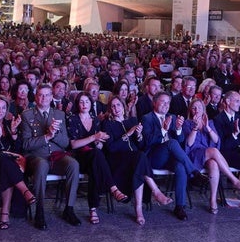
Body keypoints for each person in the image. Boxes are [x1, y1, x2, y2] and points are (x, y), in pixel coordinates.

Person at [102, 96, 172, 225]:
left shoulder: (132, 120)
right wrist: (128, 134)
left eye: (118, 105)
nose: (116, 108)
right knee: (140, 157)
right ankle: (156, 192)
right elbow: (111, 148)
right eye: (113, 106)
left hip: (134, 159)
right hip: (118, 160)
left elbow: (141, 145)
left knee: (139, 159)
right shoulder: (108, 124)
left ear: (123, 107)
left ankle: (139, 209)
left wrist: (139, 136)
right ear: (110, 109)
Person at [21, 84, 80, 230]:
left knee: (73, 164)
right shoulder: (27, 115)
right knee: (42, 165)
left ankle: (69, 209)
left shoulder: (59, 114)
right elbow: (26, 145)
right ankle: (39, 211)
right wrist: (47, 136)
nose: (44, 98)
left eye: (47, 95)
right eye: (41, 95)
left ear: (51, 96)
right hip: (37, 157)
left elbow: (66, 143)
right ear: (36, 97)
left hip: (57, 155)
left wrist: (54, 135)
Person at [141, 91, 207, 221]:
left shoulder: (173, 117)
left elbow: (182, 140)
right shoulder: (147, 118)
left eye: (168, 103)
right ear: (154, 102)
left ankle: (180, 207)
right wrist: (164, 130)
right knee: (172, 142)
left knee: (180, 166)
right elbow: (147, 142)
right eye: (163, 102)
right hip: (154, 157)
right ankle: (194, 172)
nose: (166, 105)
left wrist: (177, 129)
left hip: (170, 157)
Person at [66, 92, 129, 225]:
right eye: (81, 102)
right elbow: (73, 144)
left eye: (87, 102)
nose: (84, 104)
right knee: (96, 157)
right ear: (78, 104)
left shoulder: (95, 120)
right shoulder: (73, 119)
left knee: (96, 162)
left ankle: (93, 209)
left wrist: (98, 142)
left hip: (93, 157)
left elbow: (99, 145)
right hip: (78, 158)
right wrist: (93, 138)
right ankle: (113, 189)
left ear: (91, 104)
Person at [183, 98, 240, 214]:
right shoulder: (187, 123)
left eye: (199, 108)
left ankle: (212, 200)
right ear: (190, 110)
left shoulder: (209, 122)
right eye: (194, 108)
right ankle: (234, 180)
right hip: (193, 156)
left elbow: (216, 140)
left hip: (208, 155)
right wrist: (195, 128)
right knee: (214, 151)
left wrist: (207, 127)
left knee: (214, 164)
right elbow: (189, 144)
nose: (196, 110)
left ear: (203, 109)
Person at [0, 95, 36, 230]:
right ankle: (25, 190)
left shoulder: (10, 125)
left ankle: (5, 214)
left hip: (8, 165)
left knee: (5, 164)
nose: (0, 111)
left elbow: (18, 149)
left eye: (3, 108)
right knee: (3, 161)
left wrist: (14, 132)